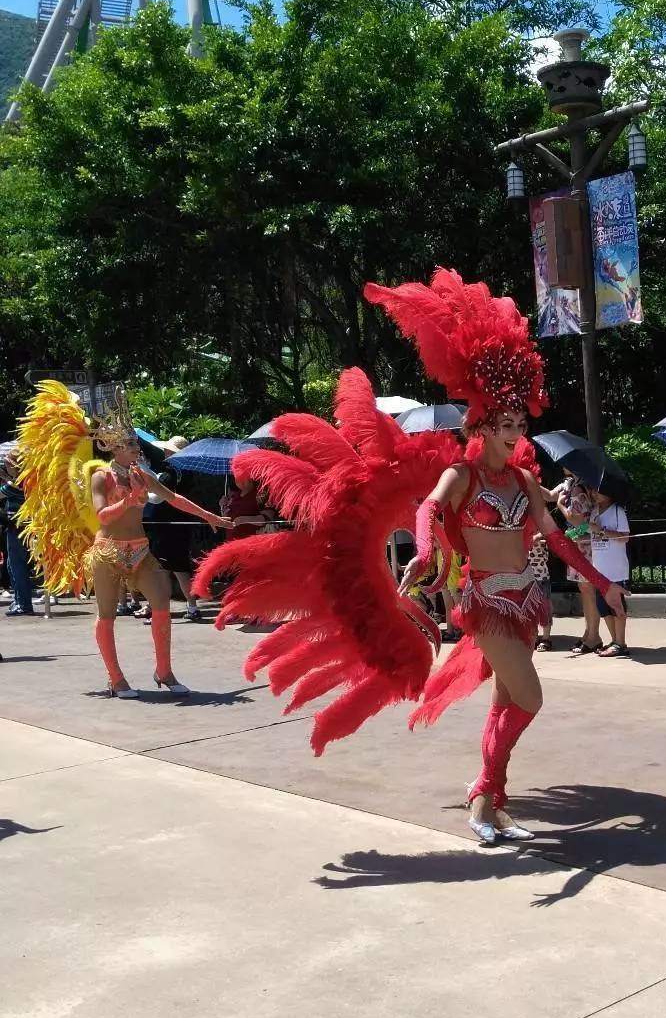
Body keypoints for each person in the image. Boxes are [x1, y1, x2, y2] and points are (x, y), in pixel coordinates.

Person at [197, 268, 627, 848]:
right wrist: (425, 548)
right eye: (505, 423)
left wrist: (602, 582)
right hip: (485, 602)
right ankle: (483, 788)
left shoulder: (525, 480)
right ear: (481, 424)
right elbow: (427, 511)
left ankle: (489, 805)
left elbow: (555, 537)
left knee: (505, 701)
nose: (515, 430)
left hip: (525, 601)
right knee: (530, 697)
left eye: (519, 422)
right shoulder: (462, 474)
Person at [15, 384, 229, 696]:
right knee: (107, 615)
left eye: (135, 443)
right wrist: (127, 502)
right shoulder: (101, 477)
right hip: (107, 552)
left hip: (141, 551)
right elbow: (102, 515)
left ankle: (164, 672)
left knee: (161, 606)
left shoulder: (142, 474)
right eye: (130, 443)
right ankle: (116, 678)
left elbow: (174, 498)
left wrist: (209, 515)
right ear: (114, 447)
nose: (136, 448)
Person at [551, 472, 602, 654]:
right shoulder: (571, 483)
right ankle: (589, 633)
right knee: (585, 590)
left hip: (585, 544)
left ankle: (594, 636)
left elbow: (574, 517)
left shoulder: (580, 487)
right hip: (579, 542)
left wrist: (560, 506)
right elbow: (548, 495)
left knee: (588, 590)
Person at [590, 487, 631, 656]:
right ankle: (614, 640)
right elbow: (594, 536)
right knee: (603, 607)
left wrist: (602, 530)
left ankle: (621, 642)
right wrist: (582, 538)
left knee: (616, 606)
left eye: (599, 490)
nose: (595, 494)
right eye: (593, 491)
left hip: (615, 569)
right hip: (598, 568)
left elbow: (625, 537)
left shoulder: (617, 511)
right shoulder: (594, 512)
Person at [1, 452, 36, 617]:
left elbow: (2, 492)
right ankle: (19, 600)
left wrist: (6, 480)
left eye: (8, 464)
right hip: (21, 528)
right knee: (12, 565)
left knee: (17, 567)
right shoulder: (25, 481)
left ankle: (23, 603)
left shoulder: (15, 484)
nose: (6, 467)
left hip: (18, 529)